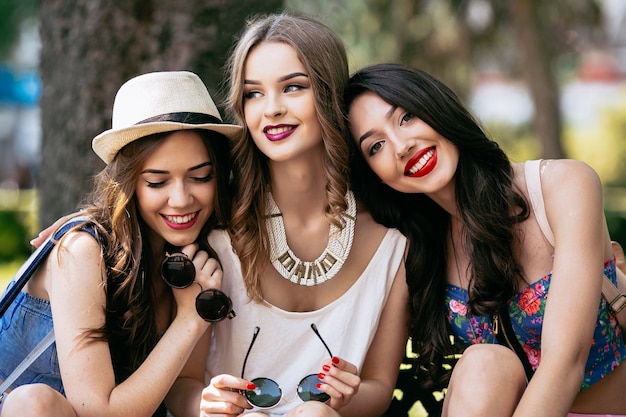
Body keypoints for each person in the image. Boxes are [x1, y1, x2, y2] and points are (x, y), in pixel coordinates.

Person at [343, 62, 626, 417]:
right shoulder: (415, 251)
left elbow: (564, 365)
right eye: (376, 146)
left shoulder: (563, 186)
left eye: (407, 117)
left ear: (438, 108)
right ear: (377, 178)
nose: (401, 146)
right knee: (484, 365)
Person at [165, 13, 409, 417]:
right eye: (253, 93)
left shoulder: (390, 246)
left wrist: (345, 397)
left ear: (329, 95)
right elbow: (183, 385)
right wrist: (203, 404)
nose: (272, 109)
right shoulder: (217, 228)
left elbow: (379, 388)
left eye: (293, 87)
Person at [0, 71, 241, 417]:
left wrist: (212, 405)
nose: (181, 199)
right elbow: (100, 411)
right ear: (129, 184)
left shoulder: (193, 258)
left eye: (200, 177)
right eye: (157, 182)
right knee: (34, 403)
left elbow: (181, 386)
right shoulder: (83, 252)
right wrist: (190, 319)